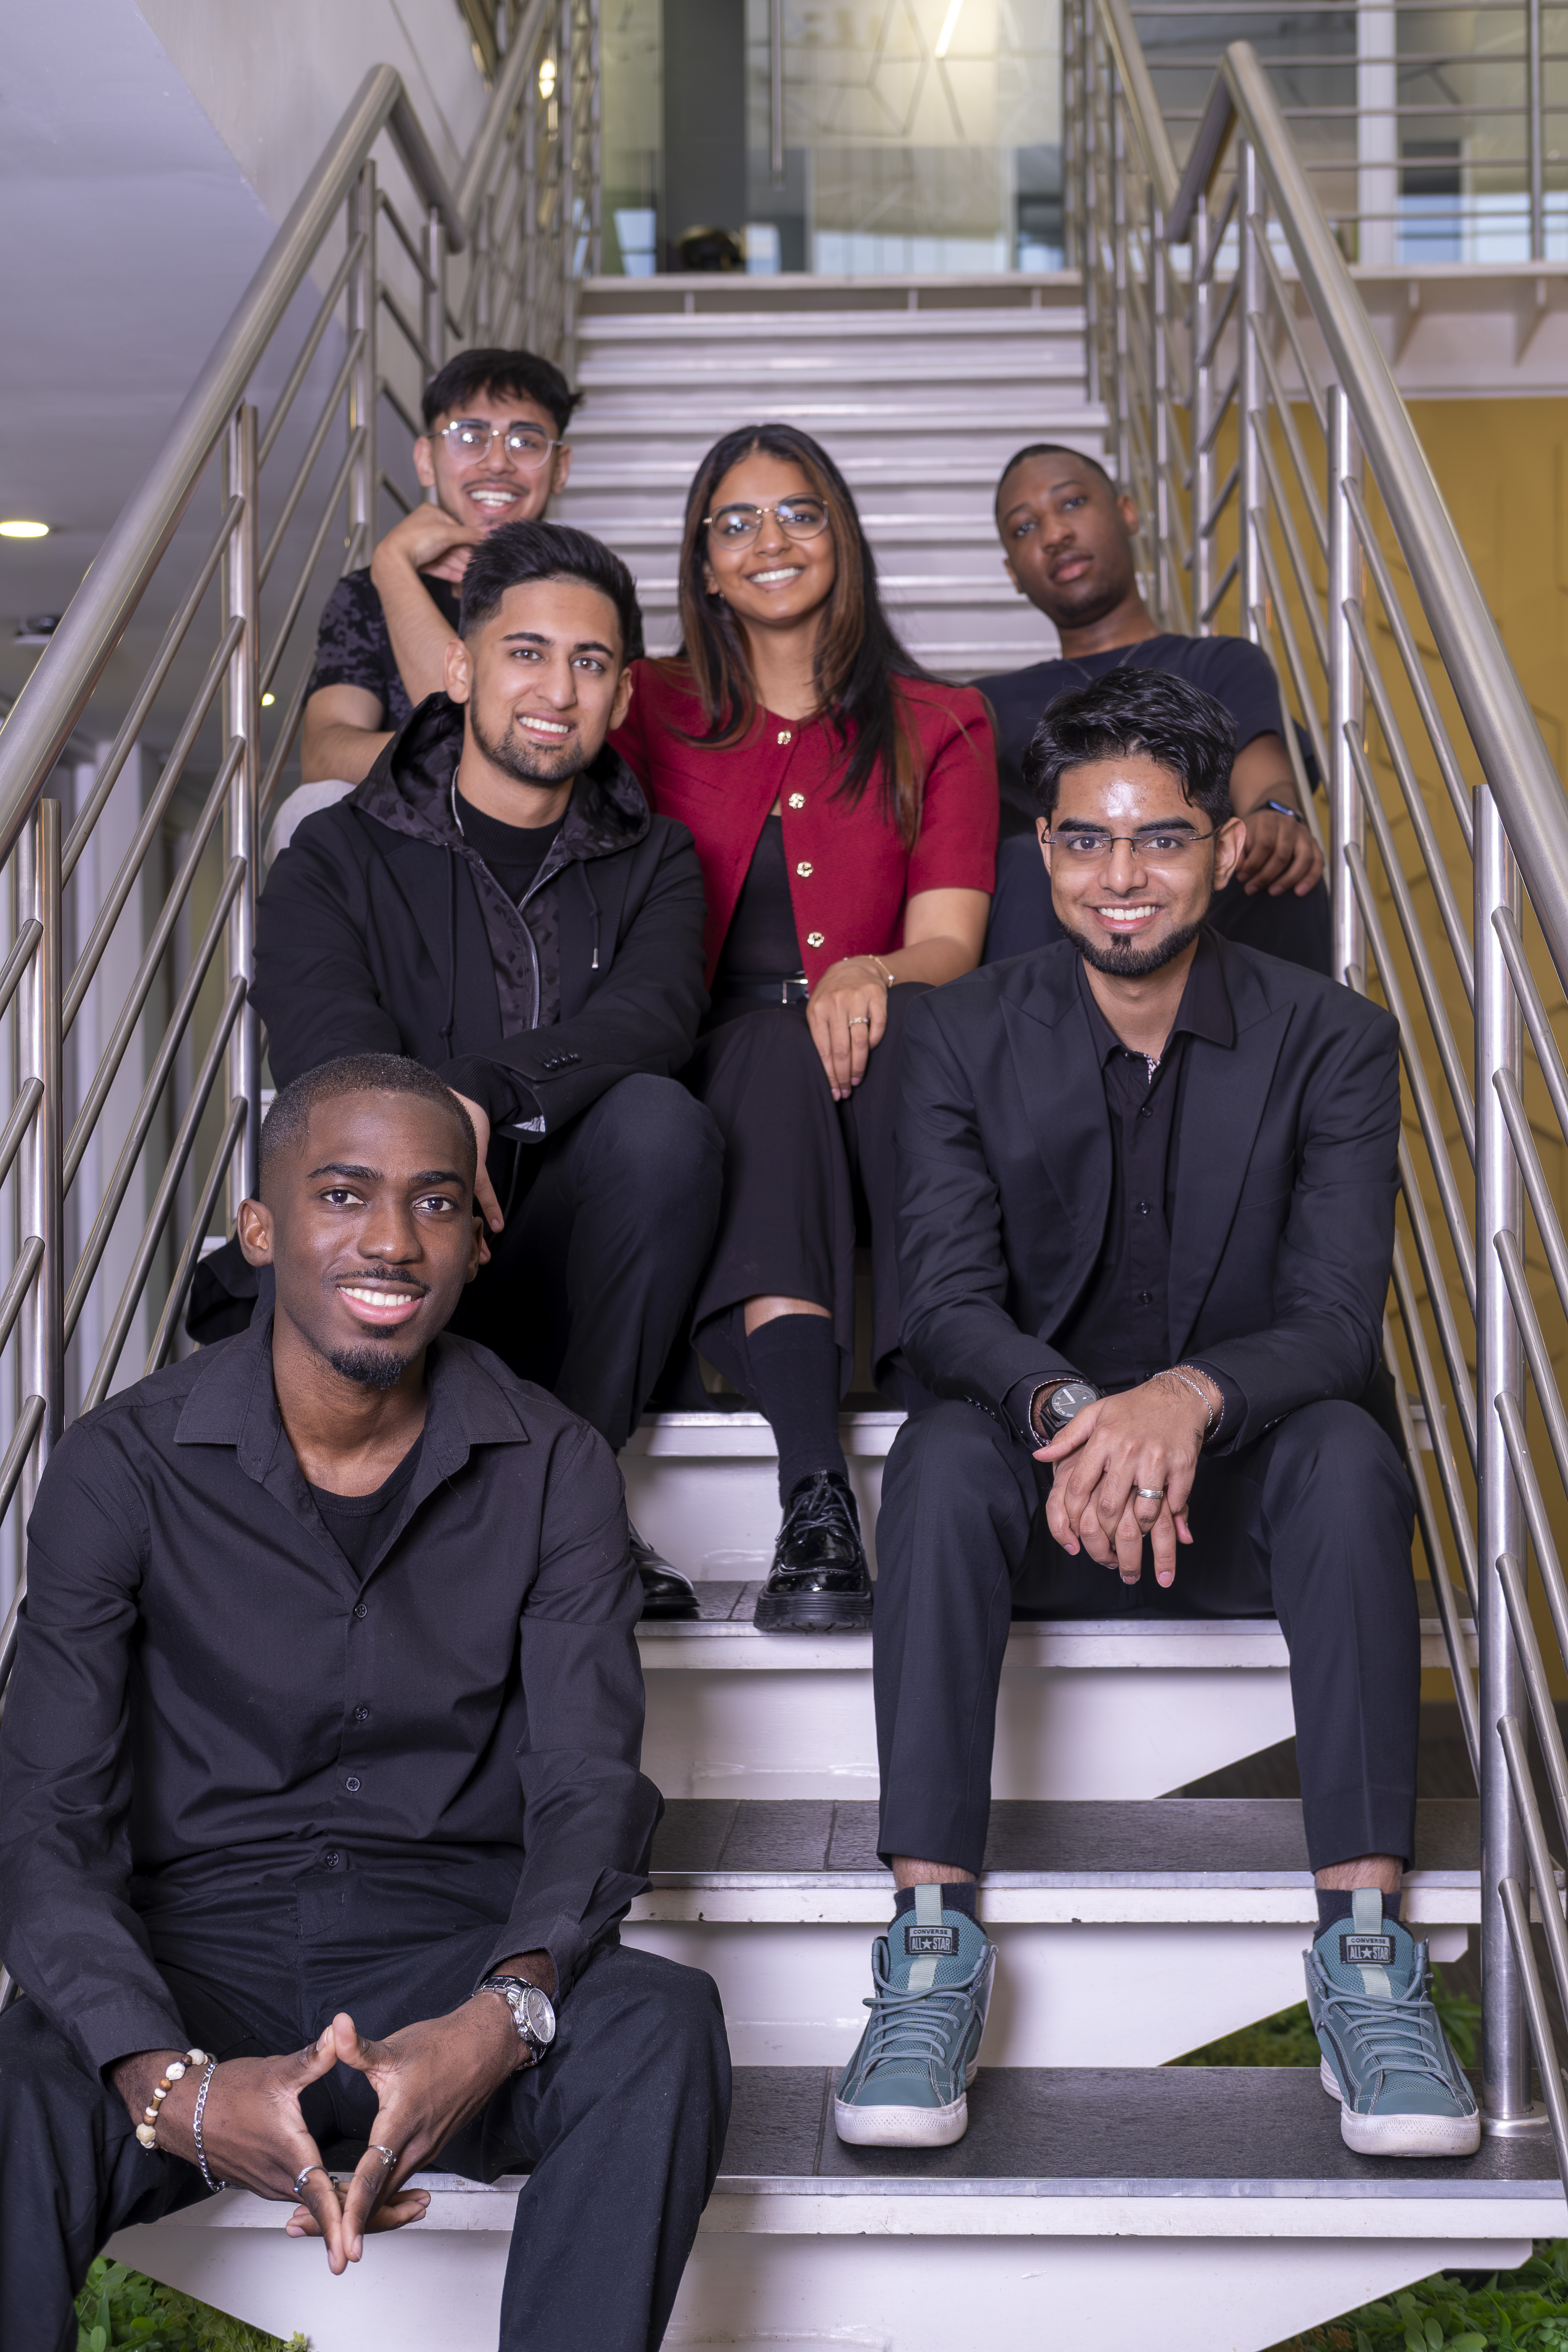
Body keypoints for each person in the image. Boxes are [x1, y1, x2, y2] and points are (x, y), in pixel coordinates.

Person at [834, 668, 1478, 2162]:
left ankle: (1366, 1960)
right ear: (1040, 853)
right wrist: (1077, 1415)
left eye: (1159, 840)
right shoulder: (952, 1036)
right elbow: (939, 1305)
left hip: (1249, 1493)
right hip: (1035, 1491)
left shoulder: (1334, 1040)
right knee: (934, 1458)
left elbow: (1326, 1320)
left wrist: (1183, 1401)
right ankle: (928, 1949)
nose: (1119, 876)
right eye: (1083, 841)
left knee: (1343, 1457)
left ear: (1218, 849)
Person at [0, 1056, 732, 2352]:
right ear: (263, 1229)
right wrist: (169, 2083)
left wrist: (497, 2024)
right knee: (22, 2076)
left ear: (473, 1239)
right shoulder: (123, 1463)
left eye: (437, 1204)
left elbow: (587, 1789)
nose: (393, 1240)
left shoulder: (553, 1464)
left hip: (445, 1954)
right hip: (195, 1962)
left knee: (659, 2025)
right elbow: (45, 1816)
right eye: (346, 1195)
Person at [250, 520, 722, 1619]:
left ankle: (567, 1499)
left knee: (665, 1123)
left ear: (620, 695)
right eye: (527, 652)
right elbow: (329, 1055)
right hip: (393, 1239)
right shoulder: (335, 852)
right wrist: (434, 1130)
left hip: (565, 1254)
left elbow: (653, 1018)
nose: (558, 688)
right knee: (362, 1147)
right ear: (459, 668)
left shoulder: (657, 858)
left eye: (591, 662)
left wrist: (485, 1091)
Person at [612, 421, 997, 1633]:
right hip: (718, 1047)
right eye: (736, 523)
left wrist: (868, 971)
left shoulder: (941, 721)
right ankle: (814, 1486)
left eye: (797, 513)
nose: (769, 541)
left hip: (891, 1022)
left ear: (841, 535)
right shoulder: (646, 709)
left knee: (902, 1057)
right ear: (705, 566)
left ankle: (962, 1470)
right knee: (773, 1055)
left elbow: (951, 941)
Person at [977, 442, 1331, 976]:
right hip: (1061, 938)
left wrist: (1277, 816)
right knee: (1026, 860)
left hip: (1197, 912)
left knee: (1275, 860)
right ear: (1012, 572)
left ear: (1127, 513)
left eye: (1072, 503)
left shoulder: (1218, 661)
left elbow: (1268, 789)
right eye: (1025, 528)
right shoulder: (986, 705)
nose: (1054, 535)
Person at [283, 345, 577, 849]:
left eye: (526, 441)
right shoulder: (363, 596)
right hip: (401, 844)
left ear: (560, 467)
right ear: (425, 459)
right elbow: (325, 752)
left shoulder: (586, 598)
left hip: (536, 836)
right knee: (310, 807)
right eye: (470, 436)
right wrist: (393, 574)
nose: (498, 462)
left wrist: (393, 564)